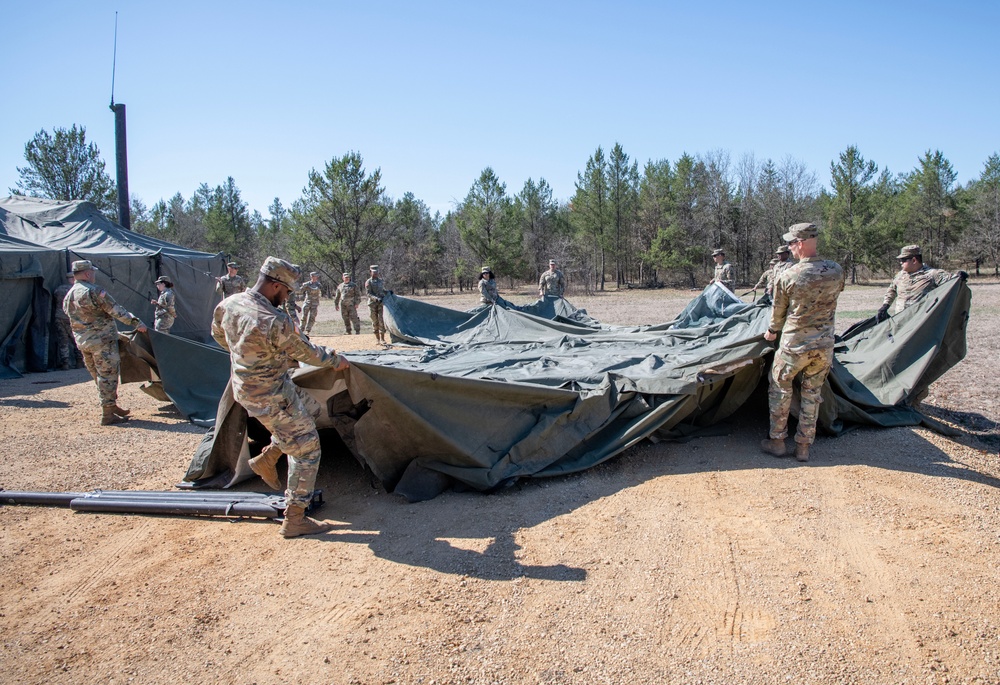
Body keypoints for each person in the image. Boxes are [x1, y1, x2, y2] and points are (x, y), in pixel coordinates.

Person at [211, 256, 350, 538]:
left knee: (308, 409)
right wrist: (337, 360)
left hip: (251, 388)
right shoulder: (273, 320)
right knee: (307, 447)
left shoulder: (230, 304)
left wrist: (249, 357)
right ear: (275, 286)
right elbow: (308, 353)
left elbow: (219, 336)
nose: (286, 298)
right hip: (270, 395)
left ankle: (268, 458)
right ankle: (295, 517)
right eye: (286, 292)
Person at [760, 223, 845, 463]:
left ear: (799, 243)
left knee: (780, 388)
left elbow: (778, 312)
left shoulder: (788, 275)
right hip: (823, 346)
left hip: (794, 345)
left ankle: (777, 441)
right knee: (812, 394)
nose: (789, 248)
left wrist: (772, 332)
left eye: (790, 243)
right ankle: (804, 447)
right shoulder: (836, 270)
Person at [63, 260, 148, 425]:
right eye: (92, 272)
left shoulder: (69, 295)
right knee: (108, 376)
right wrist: (137, 323)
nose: (94, 275)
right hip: (101, 341)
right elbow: (116, 310)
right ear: (88, 273)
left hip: (83, 342)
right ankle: (108, 414)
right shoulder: (94, 291)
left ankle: (111, 406)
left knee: (98, 376)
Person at [877, 245, 963, 321]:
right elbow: (892, 290)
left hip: (920, 323)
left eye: (903, 260)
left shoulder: (932, 274)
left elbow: (953, 282)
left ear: (914, 260)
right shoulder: (900, 275)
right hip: (900, 321)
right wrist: (885, 306)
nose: (900, 263)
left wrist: (960, 277)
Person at [53, 271, 84, 370]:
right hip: (72, 318)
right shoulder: (77, 290)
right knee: (76, 339)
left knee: (63, 340)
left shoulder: (59, 289)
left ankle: (65, 363)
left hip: (59, 317)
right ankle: (79, 362)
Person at [365, 265, 387, 344]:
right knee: (375, 321)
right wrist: (376, 298)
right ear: (370, 272)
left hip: (381, 304)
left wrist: (387, 292)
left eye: (377, 272)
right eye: (374, 272)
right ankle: (377, 339)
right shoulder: (368, 282)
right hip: (372, 304)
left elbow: (382, 290)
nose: (375, 273)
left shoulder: (381, 281)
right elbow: (368, 294)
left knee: (381, 320)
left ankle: (382, 339)